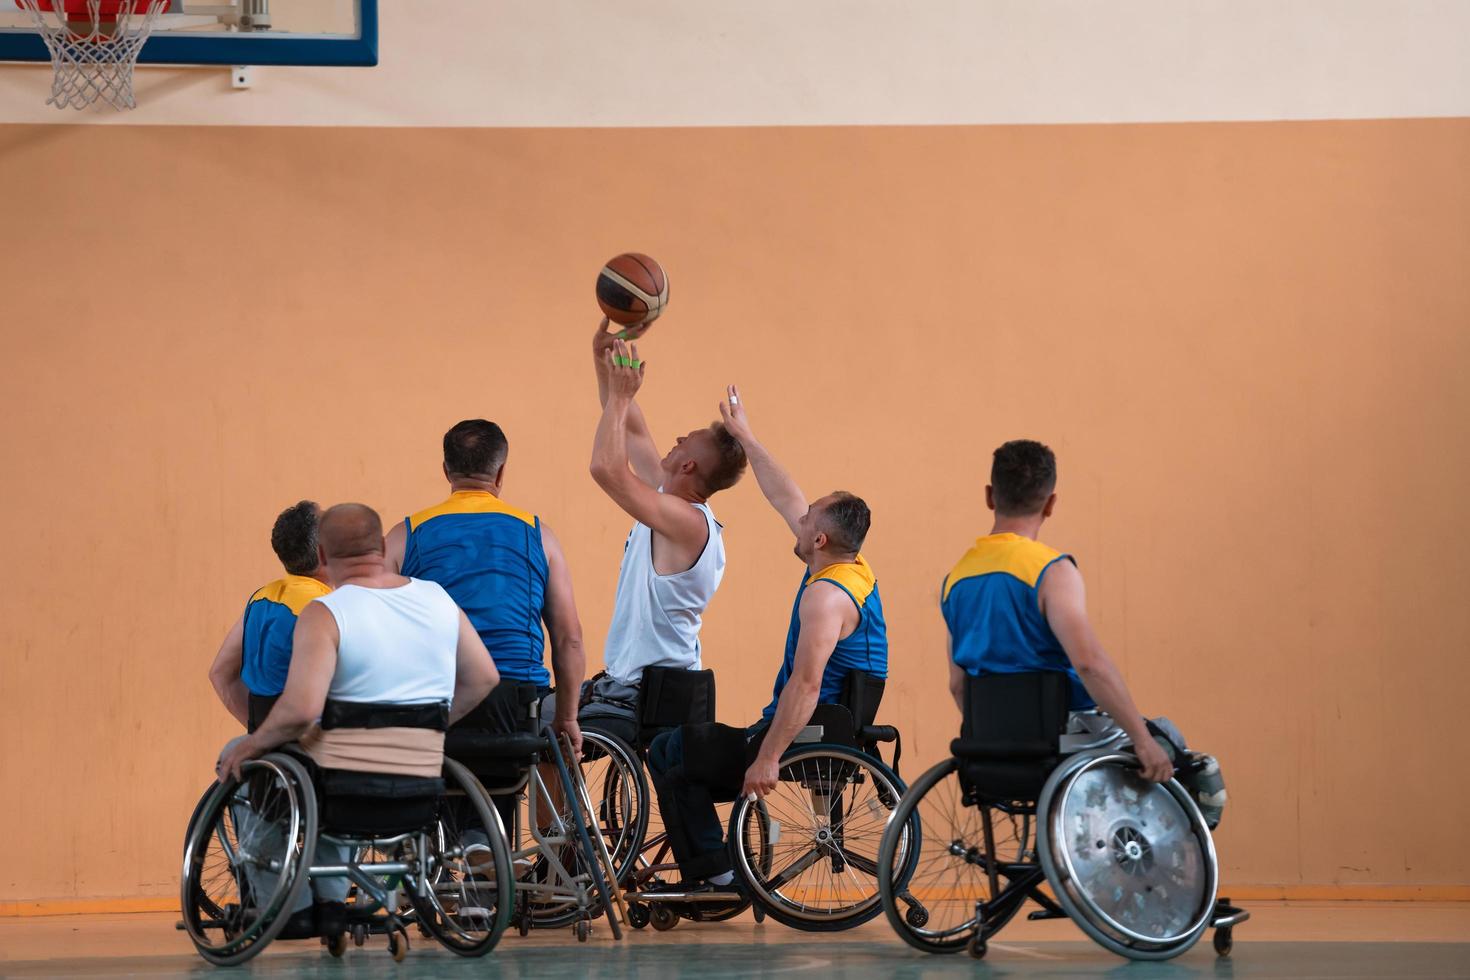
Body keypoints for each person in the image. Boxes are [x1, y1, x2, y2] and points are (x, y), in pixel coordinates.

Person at [645, 385, 887, 889]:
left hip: (807, 733)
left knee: (673, 750)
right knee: (675, 747)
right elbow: (785, 493)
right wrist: (745, 436)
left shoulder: (824, 599)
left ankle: (716, 875)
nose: (798, 520)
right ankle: (715, 867)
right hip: (823, 726)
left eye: (807, 520)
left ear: (818, 539)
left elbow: (806, 686)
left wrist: (768, 757)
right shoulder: (850, 568)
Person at [216, 503, 499, 935]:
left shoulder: (326, 612)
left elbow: (301, 709)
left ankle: (291, 906)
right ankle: (336, 902)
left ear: (323, 557)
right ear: (383, 546)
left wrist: (254, 743)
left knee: (246, 761)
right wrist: (437, 722)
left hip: (342, 788)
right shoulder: (438, 599)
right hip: (420, 780)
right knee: (315, 768)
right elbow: (484, 677)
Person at [942, 439, 1173, 783]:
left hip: (990, 743)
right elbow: (1089, 664)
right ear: (1050, 504)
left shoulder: (956, 579)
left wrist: (992, 737)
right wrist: (1141, 739)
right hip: (1064, 737)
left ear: (990, 496)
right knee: (1171, 741)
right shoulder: (1052, 571)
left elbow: (959, 685)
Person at [580, 322, 746, 742]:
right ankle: (567, 812)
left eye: (684, 442)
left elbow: (605, 468)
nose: (674, 439)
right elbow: (629, 429)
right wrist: (605, 361)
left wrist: (620, 396)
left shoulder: (687, 522)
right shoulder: (669, 499)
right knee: (548, 719)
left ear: (688, 466)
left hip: (642, 695)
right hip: (641, 685)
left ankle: (563, 813)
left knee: (540, 731)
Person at [384, 419, 585, 754]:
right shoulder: (539, 536)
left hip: (437, 702)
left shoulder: (403, 536)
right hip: (519, 704)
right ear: (501, 472)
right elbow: (570, 639)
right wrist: (566, 718)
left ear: (446, 470)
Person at [208, 500, 331, 732]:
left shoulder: (261, 599)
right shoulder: (326, 607)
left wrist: (263, 736)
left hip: (274, 749)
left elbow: (220, 673)